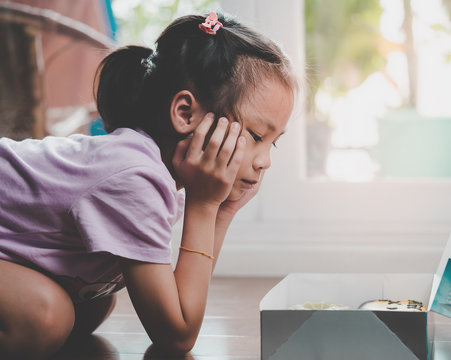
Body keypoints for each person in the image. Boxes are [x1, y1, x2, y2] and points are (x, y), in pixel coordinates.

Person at [0, 12, 297, 359]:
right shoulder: (132, 177)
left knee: (94, 303)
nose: (264, 162)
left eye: (272, 143)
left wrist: (222, 210)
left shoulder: (151, 172)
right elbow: (176, 333)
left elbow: (178, 304)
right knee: (44, 318)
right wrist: (205, 207)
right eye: (256, 135)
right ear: (185, 114)